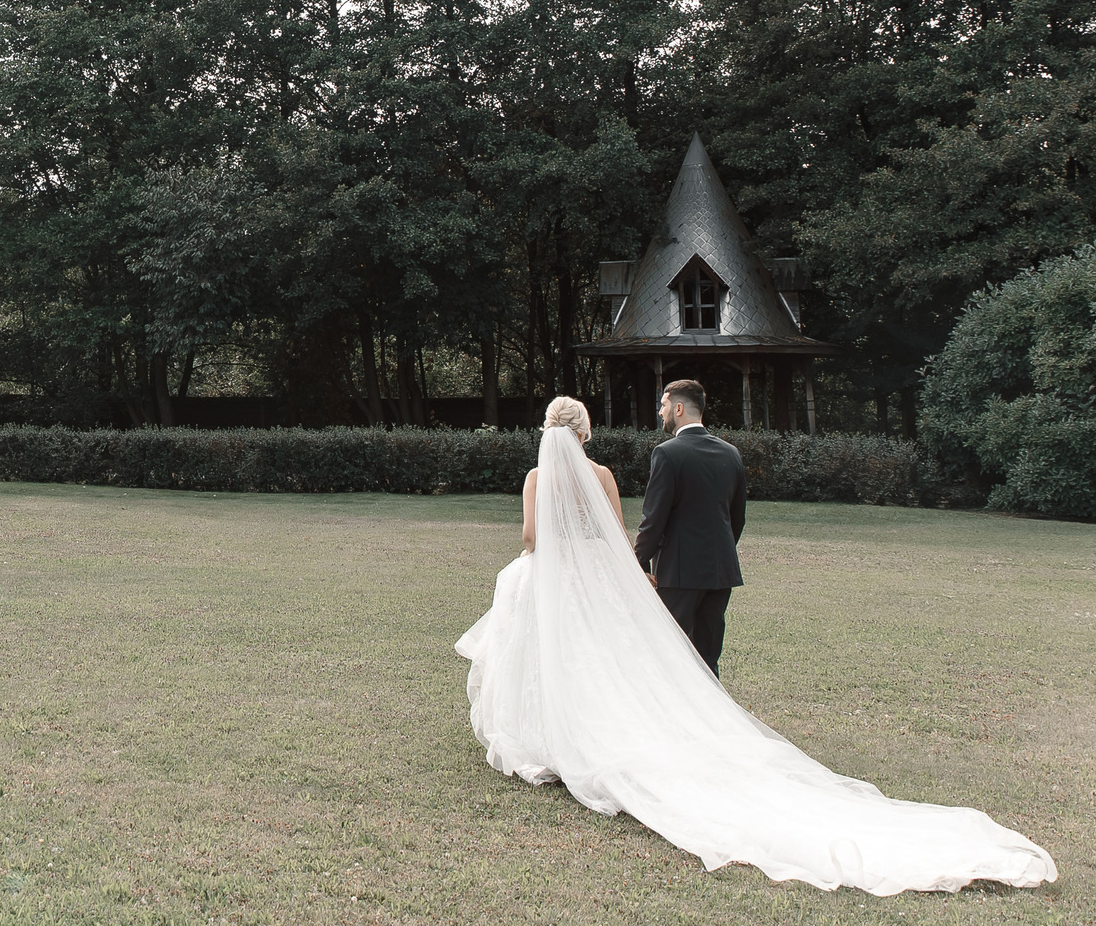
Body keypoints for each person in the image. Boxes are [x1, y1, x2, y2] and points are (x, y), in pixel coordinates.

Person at [453, 395, 1057, 894]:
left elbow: (533, 535)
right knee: (611, 662)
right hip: (598, 580)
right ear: (584, 431)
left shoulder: (536, 476)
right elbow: (613, 530)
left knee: (550, 658)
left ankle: (553, 740)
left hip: (549, 580)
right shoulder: (605, 475)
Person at [632, 379, 744, 674]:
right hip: (720, 572)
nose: (660, 412)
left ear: (678, 408)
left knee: (672, 655)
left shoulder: (667, 453)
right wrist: (716, 553)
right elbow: (737, 518)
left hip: (679, 573)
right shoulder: (731, 453)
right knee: (708, 657)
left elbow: (654, 519)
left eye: (664, 405)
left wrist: (636, 563)